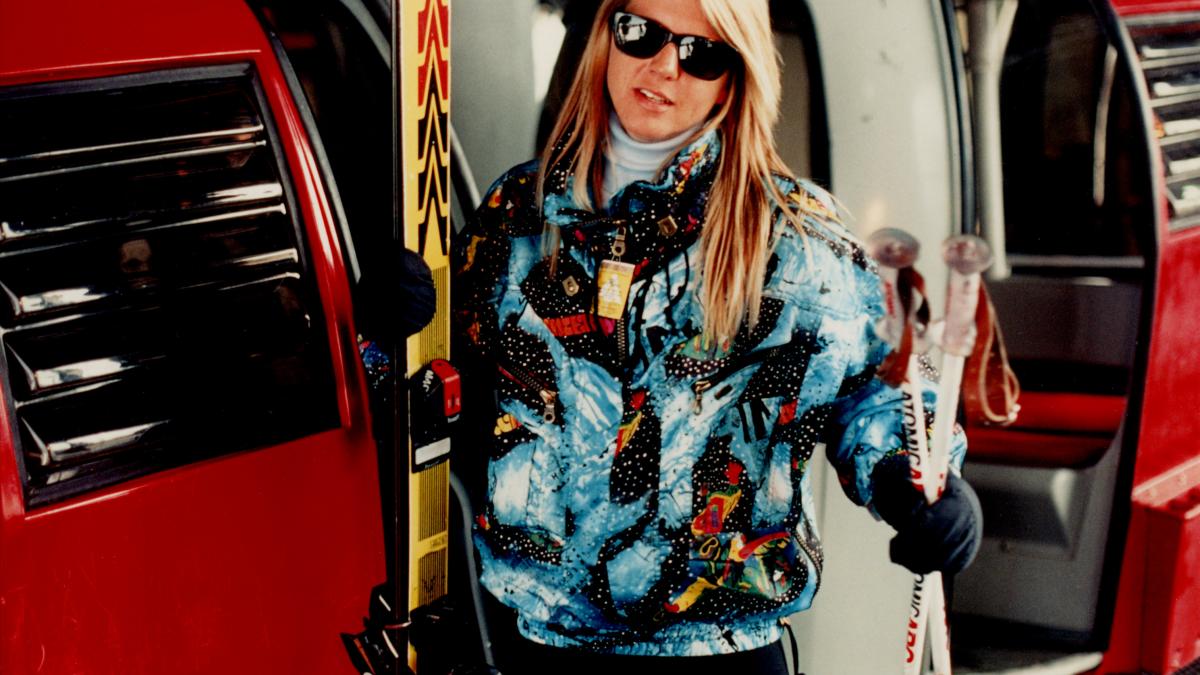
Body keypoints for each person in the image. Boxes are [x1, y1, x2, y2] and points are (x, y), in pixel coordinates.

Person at [452, 0, 982, 672]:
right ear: (606, 35)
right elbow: (443, 383)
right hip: (542, 648)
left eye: (702, 54)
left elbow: (884, 390)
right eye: (640, 32)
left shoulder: (797, 240)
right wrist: (392, 328)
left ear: (736, 75)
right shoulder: (517, 219)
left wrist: (918, 482)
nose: (664, 66)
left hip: (718, 654)